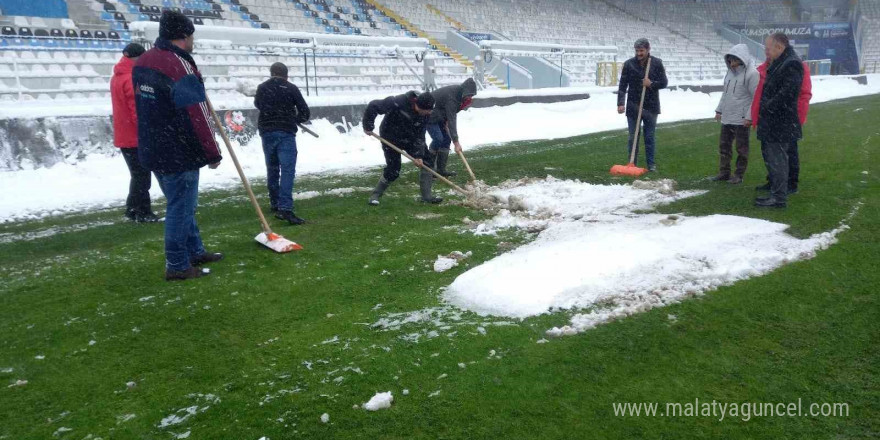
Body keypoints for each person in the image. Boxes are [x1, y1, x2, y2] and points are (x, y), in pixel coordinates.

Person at [133, 10, 224, 280]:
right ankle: (177, 265)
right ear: (184, 36)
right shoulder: (178, 65)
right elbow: (196, 114)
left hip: (153, 146)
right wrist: (212, 151)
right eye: (192, 35)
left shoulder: (144, 61)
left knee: (181, 203)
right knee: (181, 208)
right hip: (177, 149)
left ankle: (195, 250)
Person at [254, 62, 311, 225]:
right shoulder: (291, 88)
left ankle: (275, 202)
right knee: (287, 170)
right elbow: (305, 112)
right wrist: (295, 118)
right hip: (285, 132)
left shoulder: (262, 87)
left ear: (271, 73)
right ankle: (285, 208)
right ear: (287, 75)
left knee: (272, 168)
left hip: (267, 132)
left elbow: (258, 104)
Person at [750, 48, 812, 195]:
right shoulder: (767, 67)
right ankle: (773, 180)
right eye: (765, 50)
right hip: (768, 118)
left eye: (769, 50)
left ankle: (790, 183)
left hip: (786, 118)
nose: (767, 53)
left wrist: (798, 116)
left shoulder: (794, 66)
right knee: (768, 152)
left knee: (788, 152)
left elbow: (804, 93)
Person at [111, 42, 160, 222]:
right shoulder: (131, 78)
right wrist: (148, 130)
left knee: (137, 174)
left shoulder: (117, 76)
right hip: (135, 136)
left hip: (124, 134)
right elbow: (136, 110)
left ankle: (132, 208)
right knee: (142, 176)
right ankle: (142, 211)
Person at [754, 33, 804, 208]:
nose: (766, 51)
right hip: (774, 121)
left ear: (779, 47)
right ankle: (776, 193)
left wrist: (767, 106)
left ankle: (779, 198)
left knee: (779, 161)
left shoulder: (792, 63)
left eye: (768, 48)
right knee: (774, 159)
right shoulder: (781, 62)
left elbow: (788, 93)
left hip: (780, 122)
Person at [362, 91, 437, 205]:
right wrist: (368, 125)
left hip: (410, 138)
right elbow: (374, 105)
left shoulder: (425, 115)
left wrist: (418, 155)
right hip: (390, 137)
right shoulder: (398, 102)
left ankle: (426, 197)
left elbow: (420, 135)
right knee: (393, 170)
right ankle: (375, 195)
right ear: (420, 106)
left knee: (427, 162)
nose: (430, 112)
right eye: (428, 110)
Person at [617, 38, 668, 172]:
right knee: (633, 136)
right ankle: (632, 162)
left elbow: (664, 82)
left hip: (651, 106)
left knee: (649, 136)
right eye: (637, 51)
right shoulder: (629, 64)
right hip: (633, 106)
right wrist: (621, 103)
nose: (639, 53)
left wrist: (651, 84)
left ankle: (651, 164)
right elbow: (622, 85)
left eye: (641, 51)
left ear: (648, 50)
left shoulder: (656, 63)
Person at [711, 44, 759, 185]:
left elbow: (755, 97)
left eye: (734, 59)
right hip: (727, 116)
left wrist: (749, 117)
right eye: (730, 60)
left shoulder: (752, 74)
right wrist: (719, 110)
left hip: (742, 118)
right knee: (724, 146)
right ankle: (724, 172)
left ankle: (739, 174)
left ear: (742, 59)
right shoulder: (729, 73)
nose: (731, 63)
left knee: (741, 148)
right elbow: (725, 94)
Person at [426, 78, 477, 177]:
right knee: (438, 138)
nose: (469, 97)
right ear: (464, 91)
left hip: (439, 115)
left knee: (446, 139)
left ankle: (440, 170)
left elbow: (449, 114)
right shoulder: (453, 97)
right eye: (469, 95)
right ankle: (429, 170)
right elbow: (452, 118)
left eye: (471, 95)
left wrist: (445, 121)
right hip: (429, 114)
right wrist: (456, 142)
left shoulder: (460, 96)